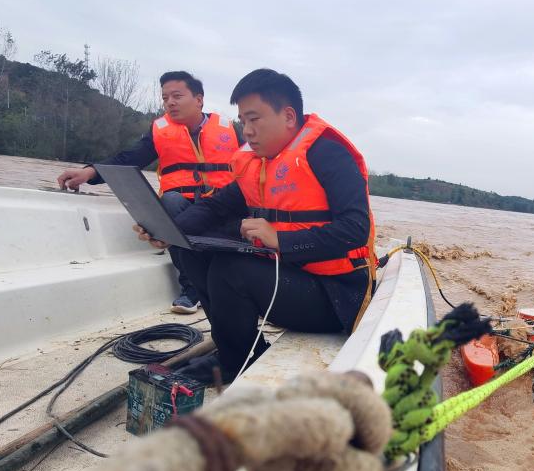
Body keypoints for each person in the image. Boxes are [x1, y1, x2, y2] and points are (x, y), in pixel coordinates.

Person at [135, 69, 376, 384]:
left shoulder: (327, 153)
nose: (246, 131)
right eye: (242, 121)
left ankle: (236, 366)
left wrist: (282, 239)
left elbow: (355, 227)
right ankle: (237, 349)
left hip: (337, 297)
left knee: (231, 270)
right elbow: (215, 205)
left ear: (288, 116)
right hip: (288, 279)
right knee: (190, 248)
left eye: (254, 119)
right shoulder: (260, 164)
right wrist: (167, 230)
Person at [57, 71, 242, 313]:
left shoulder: (229, 130)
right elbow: (129, 158)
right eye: (165, 98)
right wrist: (90, 172)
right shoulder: (160, 131)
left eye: (177, 96)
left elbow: (254, 166)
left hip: (220, 207)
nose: (170, 103)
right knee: (170, 202)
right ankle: (192, 288)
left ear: (199, 100)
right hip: (182, 208)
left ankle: (237, 284)